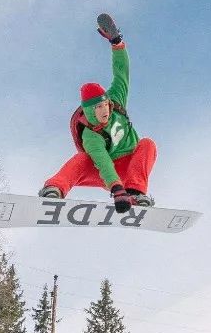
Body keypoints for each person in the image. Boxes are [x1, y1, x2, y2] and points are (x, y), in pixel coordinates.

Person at [38, 13, 157, 214]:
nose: (104, 111)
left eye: (104, 105)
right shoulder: (90, 134)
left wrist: (117, 43)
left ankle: (136, 193)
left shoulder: (116, 101)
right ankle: (54, 189)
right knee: (82, 159)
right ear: (89, 111)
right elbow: (102, 162)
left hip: (130, 169)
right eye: (98, 108)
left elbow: (122, 71)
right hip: (106, 171)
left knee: (147, 144)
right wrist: (116, 188)